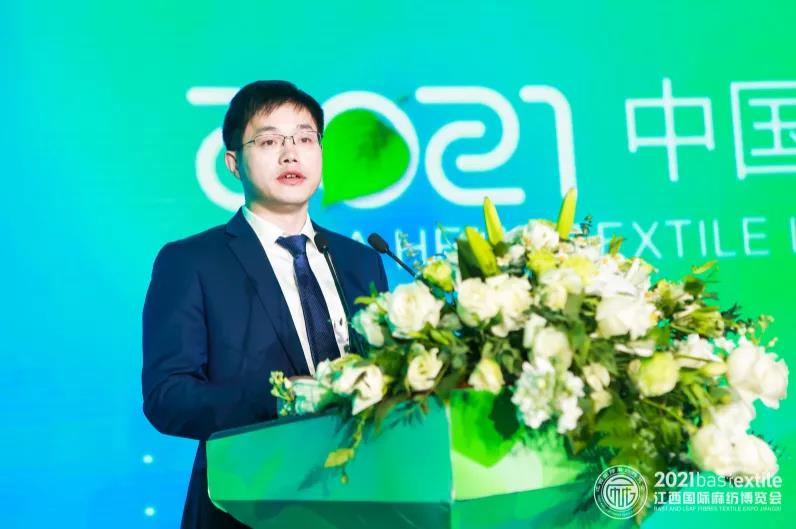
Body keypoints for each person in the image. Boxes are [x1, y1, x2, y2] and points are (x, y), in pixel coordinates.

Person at [142, 80, 388, 528]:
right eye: (270, 141)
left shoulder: (362, 260)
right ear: (233, 163)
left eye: (305, 139)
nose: (291, 154)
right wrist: (280, 399)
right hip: (247, 505)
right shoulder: (192, 262)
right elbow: (168, 396)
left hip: (366, 498)